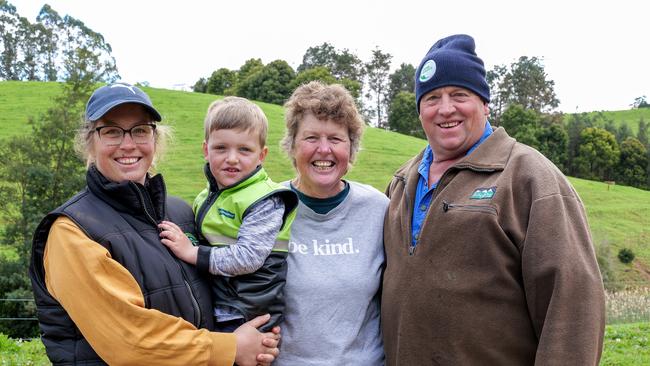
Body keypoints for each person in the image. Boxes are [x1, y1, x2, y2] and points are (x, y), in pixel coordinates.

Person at [381, 34, 606, 365]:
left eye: (459, 94)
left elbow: (573, 305)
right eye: (431, 98)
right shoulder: (402, 181)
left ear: (484, 103)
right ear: (419, 110)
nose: (445, 109)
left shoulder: (529, 177)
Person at [29, 82, 280, 366]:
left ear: (154, 139)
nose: (128, 144)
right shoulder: (72, 231)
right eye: (111, 131)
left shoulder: (181, 213)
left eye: (140, 130)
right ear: (90, 141)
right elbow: (129, 340)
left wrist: (259, 332)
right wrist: (230, 347)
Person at [159, 96, 297, 333]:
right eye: (221, 148)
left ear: (261, 155)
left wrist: (192, 252)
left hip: (245, 314)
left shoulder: (265, 199)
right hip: (222, 306)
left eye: (244, 150)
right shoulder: (206, 197)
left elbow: (249, 257)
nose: (232, 158)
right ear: (206, 150)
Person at [273, 81, 388, 365]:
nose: (324, 150)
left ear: (351, 149)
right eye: (311, 138)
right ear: (292, 145)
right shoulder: (268, 208)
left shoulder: (378, 209)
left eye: (335, 139)